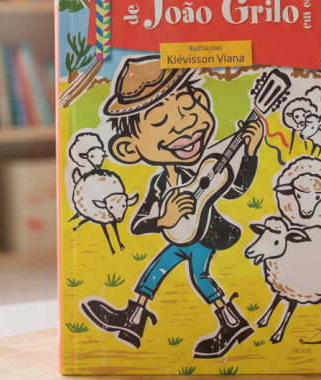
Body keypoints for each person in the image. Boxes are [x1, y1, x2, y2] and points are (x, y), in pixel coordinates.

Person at [79, 55, 262, 359]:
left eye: (190, 105)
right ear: (128, 148)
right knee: (156, 269)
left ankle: (232, 322)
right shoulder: (159, 183)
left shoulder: (205, 171)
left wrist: (251, 152)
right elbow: (139, 224)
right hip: (179, 237)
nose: (186, 123)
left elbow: (236, 189)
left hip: (204, 236)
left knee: (200, 277)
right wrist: (165, 218)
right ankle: (134, 318)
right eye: (160, 120)